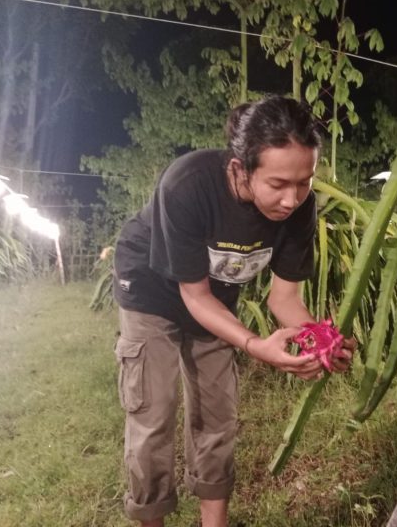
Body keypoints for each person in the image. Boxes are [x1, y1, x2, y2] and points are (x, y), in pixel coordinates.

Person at [112, 95, 355, 527]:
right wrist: (255, 345)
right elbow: (193, 295)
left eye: (304, 182)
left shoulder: (300, 209)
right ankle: (151, 519)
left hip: (213, 297)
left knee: (218, 415)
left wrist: (322, 340)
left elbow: (284, 300)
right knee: (154, 414)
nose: (292, 199)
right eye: (278, 184)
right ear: (240, 169)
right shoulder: (187, 185)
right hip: (152, 290)